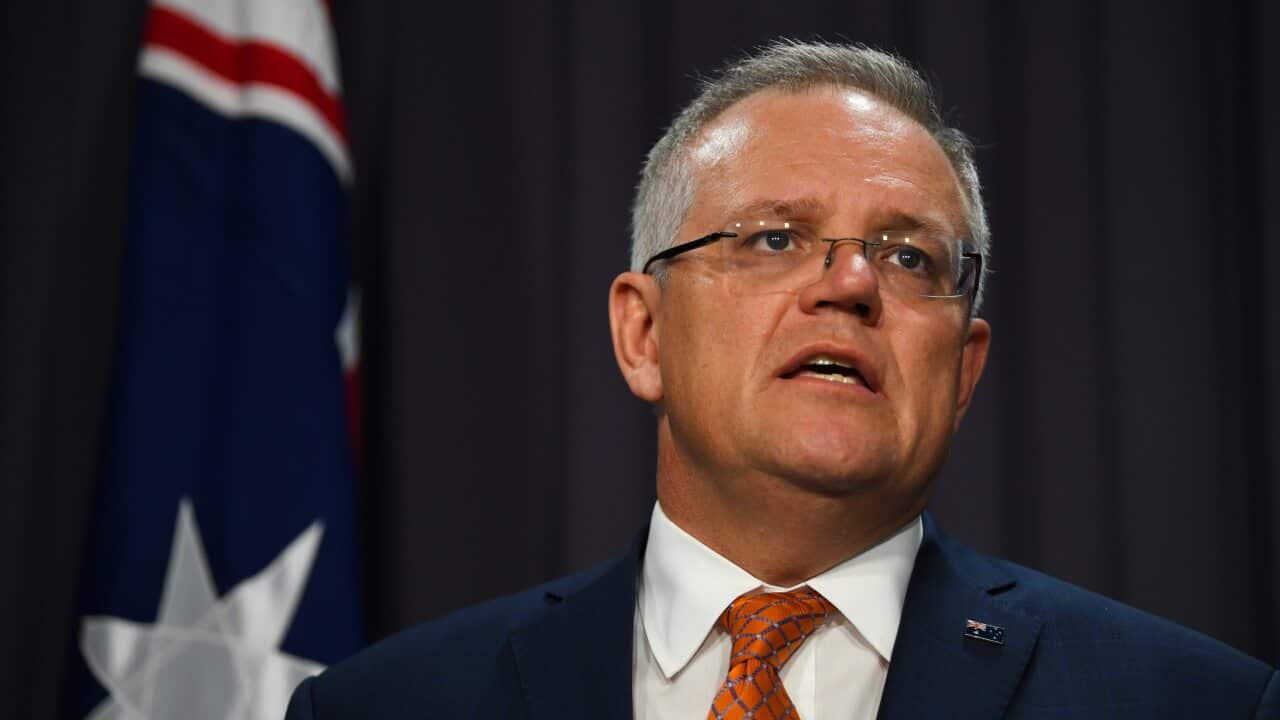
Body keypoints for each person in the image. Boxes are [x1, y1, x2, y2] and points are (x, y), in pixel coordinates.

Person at [286, 40, 1278, 719]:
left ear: (963, 368)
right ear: (643, 334)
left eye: (908, 259)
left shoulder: (1193, 704)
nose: (848, 283)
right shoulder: (387, 706)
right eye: (773, 238)